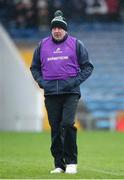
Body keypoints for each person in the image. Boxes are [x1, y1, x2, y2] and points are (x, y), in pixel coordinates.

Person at [30, 10, 94, 174]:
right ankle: (59, 164)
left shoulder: (76, 44)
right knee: (55, 128)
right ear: (51, 30)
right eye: (54, 28)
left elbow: (88, 67)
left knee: (67, 124)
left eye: (60, 28)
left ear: (65, 29)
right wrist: (42, 82)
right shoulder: (42, 45)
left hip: (70, 92)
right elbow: (34, 67)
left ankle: (71, 162)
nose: (57, 30)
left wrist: (74, 82)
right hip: (51, 93)